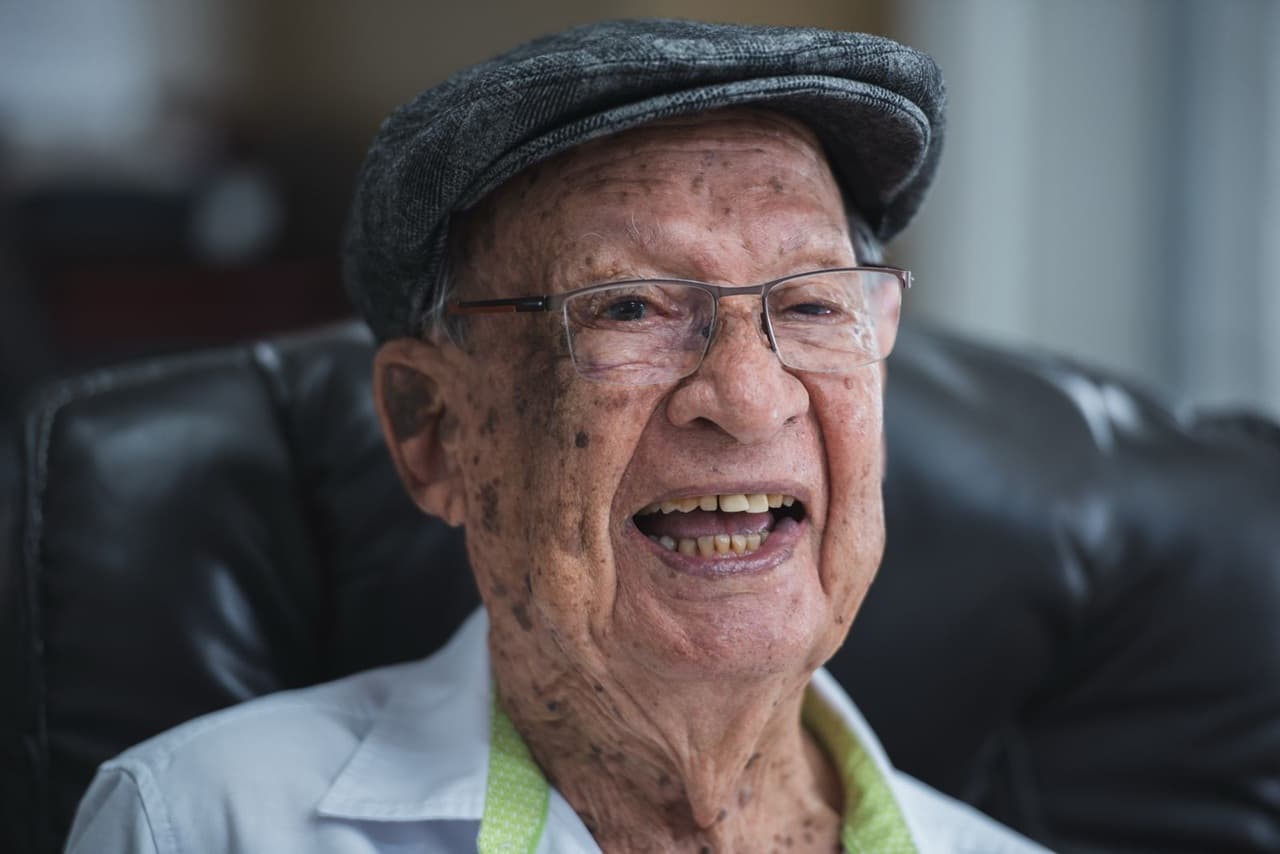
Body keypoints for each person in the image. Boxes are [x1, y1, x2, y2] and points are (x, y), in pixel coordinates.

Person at [66, 19, 1050, 853]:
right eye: (629, 307)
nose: (750, 399)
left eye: (810, 305)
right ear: (432, 427)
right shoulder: (203, 821)